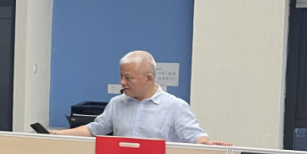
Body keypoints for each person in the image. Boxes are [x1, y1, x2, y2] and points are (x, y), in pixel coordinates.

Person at [51, 51, 230, 145]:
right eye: (121, 76)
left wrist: (205, 143)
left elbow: (195, 136)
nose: (122, 82)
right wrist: (59, 134)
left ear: (148, 78)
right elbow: (94, 129)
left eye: (128, 78)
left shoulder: (175, 106)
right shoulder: (117, 103)